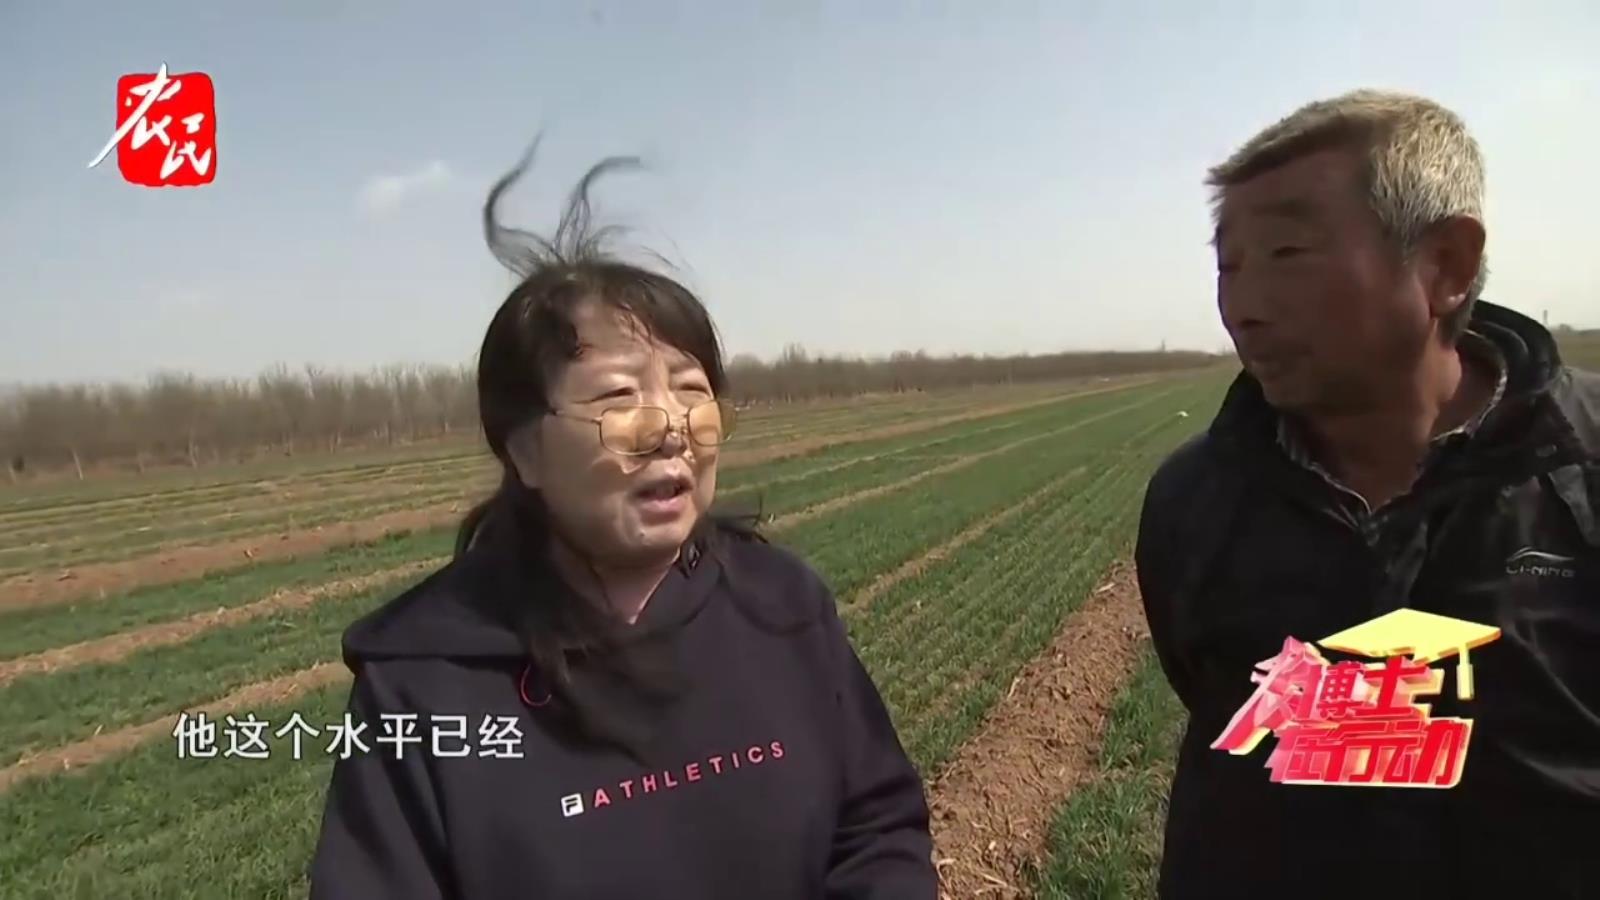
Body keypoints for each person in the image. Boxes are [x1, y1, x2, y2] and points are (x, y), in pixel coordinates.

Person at [307, 140, 936, 899]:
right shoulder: (424, 681)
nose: (671, 430)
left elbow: (878, 824)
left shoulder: (783, 605)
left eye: (691, 392)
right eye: (617, 399)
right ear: (524, 449)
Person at [1135, 89, 1600, 898]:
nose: (1243, 308)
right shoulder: (1193, 500)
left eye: (1286, 254)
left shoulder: (1581, 470)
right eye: (1228, 266)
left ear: (1446, 265)